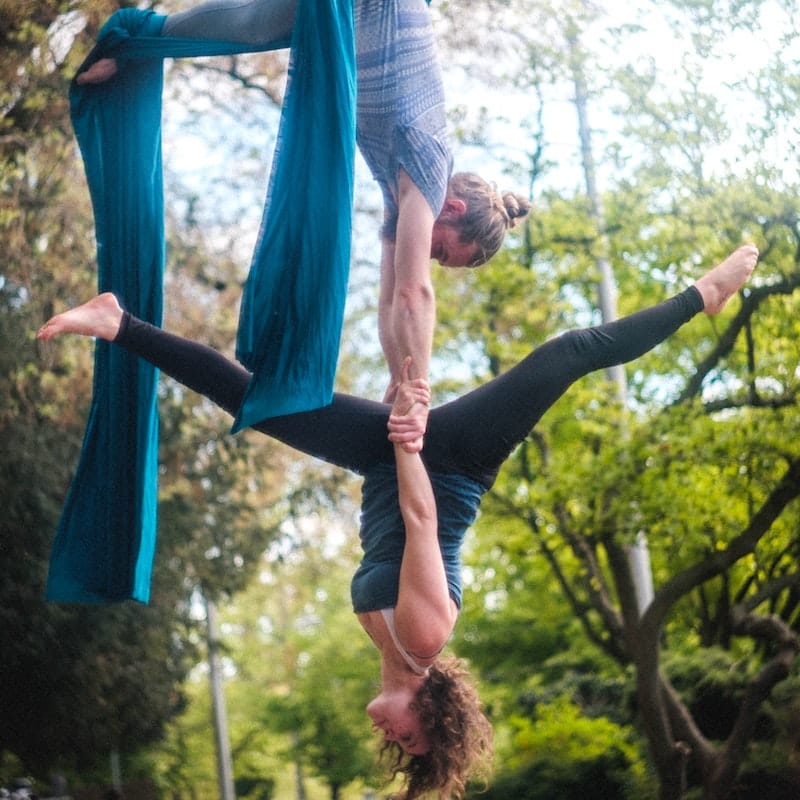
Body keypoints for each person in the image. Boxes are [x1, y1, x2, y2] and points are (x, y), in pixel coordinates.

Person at [37, 244, 759, 798]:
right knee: (568, 353)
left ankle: (116, 322)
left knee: (257, 403)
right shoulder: (422, 635)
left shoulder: (380, 640)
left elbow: (384, 519)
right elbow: (420, 519)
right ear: (432, 712)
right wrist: (410, 434)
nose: (387, 733)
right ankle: (706, 294)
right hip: (449, 462)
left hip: (387, 461)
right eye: (409, 740)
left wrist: (388, 431)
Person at [75, 0, 532, 439]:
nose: (428, 256)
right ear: (453, 210)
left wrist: (401, 382)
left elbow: (392, 302)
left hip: (347, 16)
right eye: (441, 250)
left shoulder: (403, 196)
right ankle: (130, 41)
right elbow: (416, 294)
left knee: (253, 24)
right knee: (253, 24)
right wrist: (421, 394)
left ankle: (128, 46)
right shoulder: (428, 174)